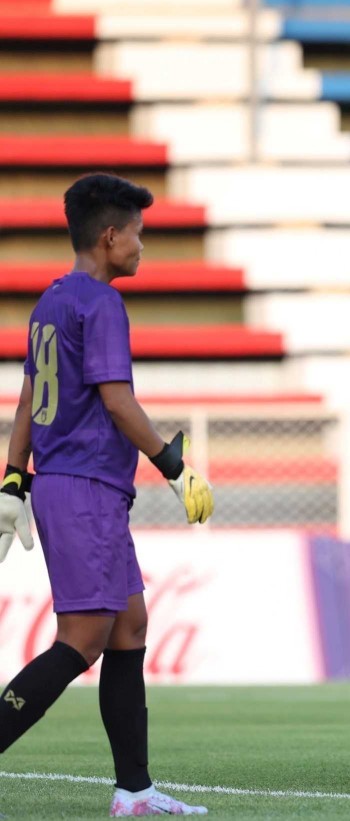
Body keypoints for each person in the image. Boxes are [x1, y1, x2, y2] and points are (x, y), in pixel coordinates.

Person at [0, 173, 213, 816]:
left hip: (79, 488)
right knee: (85, 635)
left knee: (129, 626)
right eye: (139, 234)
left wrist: (13, 478)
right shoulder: (100, 304)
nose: (144, 246)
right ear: (111, 235)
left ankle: (135, 790)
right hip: (86, 487)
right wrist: (174, 467)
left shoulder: (51, 301)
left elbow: (29, 402)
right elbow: (117, 400)